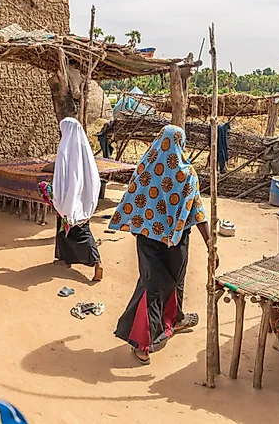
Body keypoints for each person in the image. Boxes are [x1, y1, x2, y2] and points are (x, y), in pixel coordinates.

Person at [108, 125, 211, 365]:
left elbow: (132, 200)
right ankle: (142, 342)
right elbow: (197, 210)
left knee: (153, 285)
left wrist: (137, 227)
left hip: (148, 238)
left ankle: (173, 320)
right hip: (176, 241)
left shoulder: (146, 167)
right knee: (165, 284)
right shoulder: (187, 173)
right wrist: (209, 242)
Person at [41, 117, 104, 282]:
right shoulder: (85, 148)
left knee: (72, 228)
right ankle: (67, 259)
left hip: (69, 196)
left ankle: (96, 262)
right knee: (79, 228)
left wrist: (61, 195)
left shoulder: (64, 149)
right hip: (83, 196)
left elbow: (61, 173)